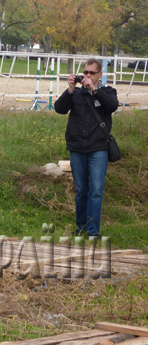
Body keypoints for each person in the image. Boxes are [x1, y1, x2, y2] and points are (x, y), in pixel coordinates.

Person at [54, 58, 118, 238]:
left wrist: (95, 91)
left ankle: (93, 232)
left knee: (96, 191)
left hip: (99, 148)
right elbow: (59, 109)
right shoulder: (76, 94)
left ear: (99, 74)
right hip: (77, 147)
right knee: (81, 190)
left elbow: (112, 106)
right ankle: (81, 227)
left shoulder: (107, 91)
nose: (87, 76)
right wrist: (70, 90)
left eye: (91, 73)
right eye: (85, 73)